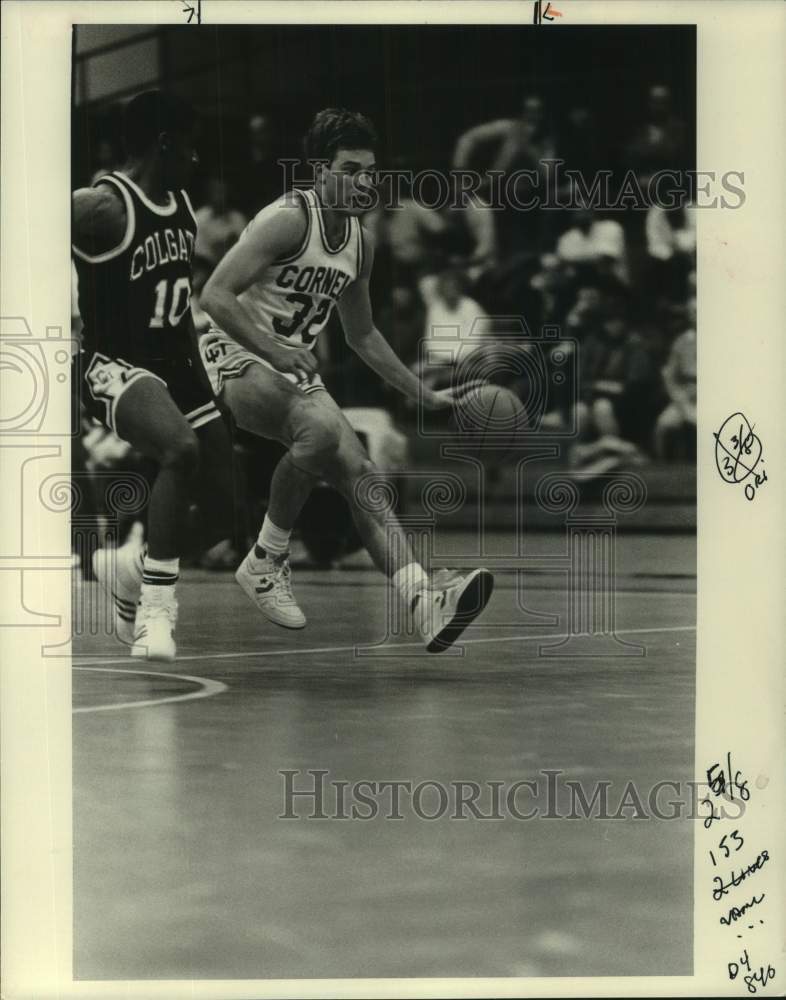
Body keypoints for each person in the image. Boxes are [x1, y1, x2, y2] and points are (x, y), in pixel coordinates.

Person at [199, 108, 494, 653]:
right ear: (319, 171)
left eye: (371, 170)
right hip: (230, 349)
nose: (366, 181)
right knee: (317, 430)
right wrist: (275, 348)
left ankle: (422, 602)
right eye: (352, 169)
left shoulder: (361, 243)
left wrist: (424, 393)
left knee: (361, 470)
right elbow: (214, 294)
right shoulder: (287, 219)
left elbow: (363, 335)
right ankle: (265, 559)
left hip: (286, 365)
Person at [72, 90, 232, 662]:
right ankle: (157, 612)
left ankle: (129, 571)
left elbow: (182, 301)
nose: (196, 158)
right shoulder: (103, 205)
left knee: (226, 510)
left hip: (173, 363)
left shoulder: (182, 206)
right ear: (165, 142)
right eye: (190, 145)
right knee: (180, 450)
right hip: (111, 363)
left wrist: (204, 380)